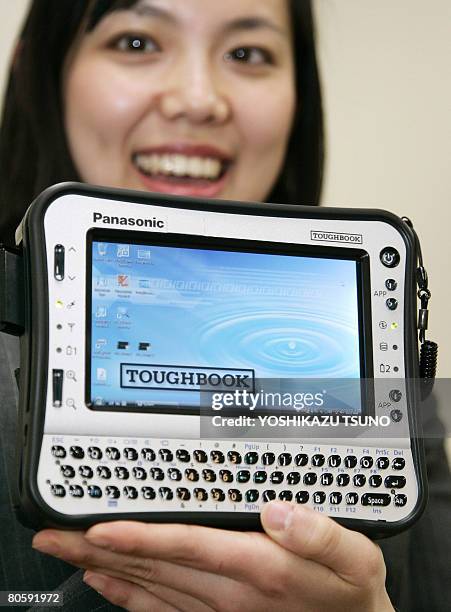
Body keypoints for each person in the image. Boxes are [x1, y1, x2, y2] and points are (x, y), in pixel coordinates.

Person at [0, 1, 450, 610]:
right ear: (42, 71)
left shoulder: (401, 412)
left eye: (247, 53)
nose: (198, 98)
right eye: (135, 43)